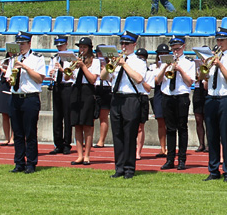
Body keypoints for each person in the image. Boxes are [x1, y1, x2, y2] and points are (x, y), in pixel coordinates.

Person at [103, 32, 147, 179]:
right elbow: (103, 77)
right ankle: (119, 167)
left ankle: (129, 168)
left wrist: (124, 64)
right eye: (122, 44)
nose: (123, 46)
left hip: (131, 99)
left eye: (126, 44)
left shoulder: (139, 62)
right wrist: (109, 64)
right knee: (117, 134)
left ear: (134, 45)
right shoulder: (116, 60)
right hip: (116, 98)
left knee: (129, 134)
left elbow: (139, 79)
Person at [203, 27, 227, 181]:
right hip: (211, 98)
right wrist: (206, 66)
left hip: (226, 99)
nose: (219, 43)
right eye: (218, 40)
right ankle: (213, 170)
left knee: (226, 137)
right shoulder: (211, 58)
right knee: (211, 137)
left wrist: (220, 65)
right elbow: (202, 78)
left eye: (222, 40)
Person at [7, 32, 47, 174]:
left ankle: (31, 163)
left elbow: (39, 79)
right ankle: (19, 162)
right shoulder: (13, 59)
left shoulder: (37, 58)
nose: (20, 47)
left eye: (23, 44)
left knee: (30, 132)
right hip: (16, 96)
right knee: (17, 132)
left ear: (29, 44)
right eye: (18, 44)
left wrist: (25, 68)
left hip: (30, 97)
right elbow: (8, 77)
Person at [156, 36, 196, 170]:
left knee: (182, 129)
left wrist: (180, 70)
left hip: (181, 96)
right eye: (173, 49)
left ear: (183, 47)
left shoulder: (188, 63)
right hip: (167, 95)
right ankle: (170, 159)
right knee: (170, 129)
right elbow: (158, 80)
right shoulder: (165, 61)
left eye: (177, 49)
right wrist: (165, 68)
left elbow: (190, 82)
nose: (175, 51)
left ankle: (182, 160)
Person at [69, 37, 100, 166]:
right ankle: (79, 156)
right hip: (76, 91)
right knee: (77, 125)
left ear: (89, 48)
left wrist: (82, 67)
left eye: (84, 47)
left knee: (87, 126)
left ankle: (87, 155)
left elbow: (92, 79)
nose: (82, 50)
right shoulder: (76, 60)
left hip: (88, 92)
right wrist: (70, 69)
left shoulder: (96, 62)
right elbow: (67, 76)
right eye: (80, 47)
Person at [47, 35, 74, 155]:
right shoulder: (54, 58)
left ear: (66, 44)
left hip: (67, 87)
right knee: (57, 117)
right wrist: (52, 73)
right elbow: (49, 73)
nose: (59, 47)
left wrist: (62, 69)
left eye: (61, 45)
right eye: (57, 45)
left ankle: (67, 144)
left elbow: (73, 75)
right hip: (57, 86)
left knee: (67, 117)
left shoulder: (71, 57)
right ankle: (58, 144)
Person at [150, 43, 171, 158]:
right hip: (159, 93)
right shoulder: (154, 67)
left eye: (165, 54)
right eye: (160, 54)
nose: (163, 55)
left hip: (169, 92)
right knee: (161, 122)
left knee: (170, 122)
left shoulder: (172, 65)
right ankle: (163, 148)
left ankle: (171, 147)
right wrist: (163, 68)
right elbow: (157, 81)